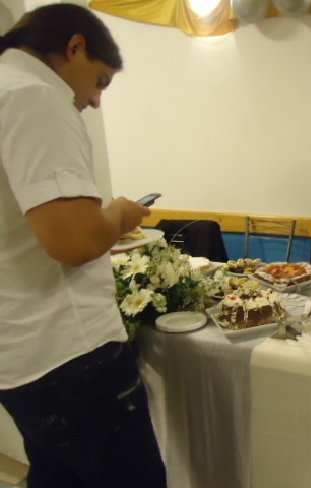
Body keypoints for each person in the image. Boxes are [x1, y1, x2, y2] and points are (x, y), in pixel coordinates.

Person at [0, 4, 167, 487]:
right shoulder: (34, 96)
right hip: (69, 351)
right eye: (100, 81)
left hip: (20, 353)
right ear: (75, 47)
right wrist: (119, 213)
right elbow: (74, 241)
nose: (94, 101)